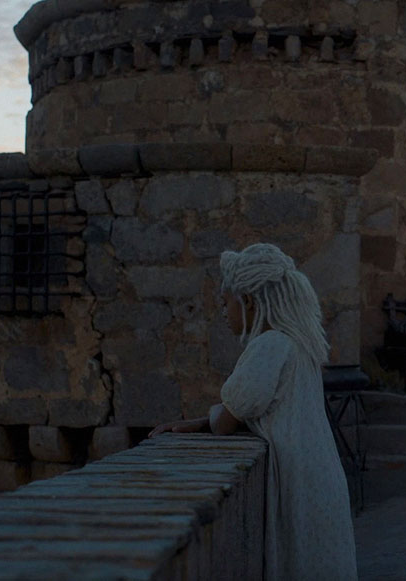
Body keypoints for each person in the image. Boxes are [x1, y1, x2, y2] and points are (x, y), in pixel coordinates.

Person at [149, 243, 358, 581]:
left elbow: (227, 421)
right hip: (319, 478)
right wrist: (202, 422)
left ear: (247, 301)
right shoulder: (297, 345)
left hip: (298, 485)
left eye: (225, 302)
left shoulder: (269, 345)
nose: (222, 311)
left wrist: (209, 421)